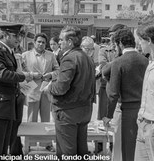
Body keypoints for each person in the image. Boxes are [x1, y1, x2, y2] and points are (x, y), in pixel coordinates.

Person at [0, 24, 32, 155]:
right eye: (15, 36)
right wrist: (24, 76)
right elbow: (2, 74)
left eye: (20, 36)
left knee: (3, 147)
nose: (19, 39)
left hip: (6, 105)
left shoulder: (9, 52)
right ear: (6, 35)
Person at [44, 26, 95, 159]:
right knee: (81, 151)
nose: (59, 42)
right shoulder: (87, 57)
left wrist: (49, 88)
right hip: (84, 110)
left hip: (68, 112)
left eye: (61, 40)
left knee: (66, 153)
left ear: (70, 42)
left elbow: (61, 88)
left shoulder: (70, 58)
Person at [103, 28, 148, 161]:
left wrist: (108, 115)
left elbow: (113, 93)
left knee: (125, 150)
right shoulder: (145, 61)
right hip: (144, 111)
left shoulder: (119, 62)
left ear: (120, 44)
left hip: (126, 112)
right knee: (139, 151)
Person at [22, 33, 59, 151]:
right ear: (34, 42)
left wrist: (51, 75)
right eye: (39, 41)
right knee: (31, 118)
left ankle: (46, 143)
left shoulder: (51, 55)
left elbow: (58, 70)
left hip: (46, 89)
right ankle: (30, 143)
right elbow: (20, 72)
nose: (41, 44)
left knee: (46, 118)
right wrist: (32, 75)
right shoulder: (25, 55)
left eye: (43, 42)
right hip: (31, 88)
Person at [134, 25, 154, 161]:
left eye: (141, 41)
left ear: (149, 41)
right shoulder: (150, 63)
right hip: (143, 123)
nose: (139, 45)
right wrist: (141, 114)